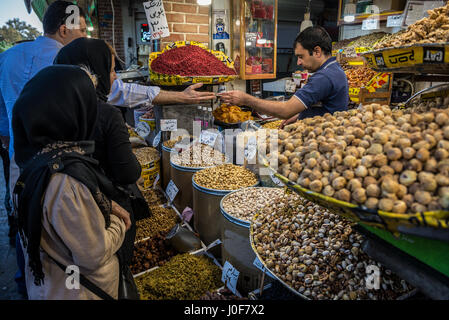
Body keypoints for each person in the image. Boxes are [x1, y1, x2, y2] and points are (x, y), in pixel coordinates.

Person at [12, 65, 130, 300]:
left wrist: (105, 204)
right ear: (73, 111)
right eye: (88, 102)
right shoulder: (66, 181)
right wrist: (119, 221)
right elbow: (92, 255)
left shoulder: (36, 160)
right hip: (78, 292)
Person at [0, 1, 87, 297]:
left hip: (19, 160)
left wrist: (9, 140)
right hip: (59, 168)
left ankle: (26, 283)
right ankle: (62, 290)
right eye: (82, 30)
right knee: (62, 242)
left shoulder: (8, 57)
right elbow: (112, 93)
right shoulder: (70, 63)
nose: (85, 38)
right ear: (64, 29)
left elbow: (1, 113)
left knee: (27, 229)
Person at [53, 38, 146, 277]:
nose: (114, 77)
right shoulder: (106, 114)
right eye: (111, 69)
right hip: (108, 216)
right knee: (113, 275)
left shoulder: (55, 111)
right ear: (93, 73)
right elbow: (128, 172)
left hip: (68, 224)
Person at [218, 26, 349, 126]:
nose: (298, 62)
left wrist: (246, 99)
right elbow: (324, 109)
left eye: (300, 56)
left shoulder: (323, 77)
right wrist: (300, 115)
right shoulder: (334, 69)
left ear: (317, 51)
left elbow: (285, 110)